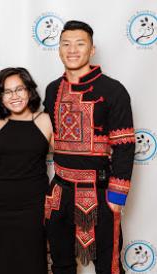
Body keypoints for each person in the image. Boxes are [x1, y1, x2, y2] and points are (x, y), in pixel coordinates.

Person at [44, 20, 135, 274]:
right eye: (66, 44)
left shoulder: (113, 90)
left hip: (99, 190)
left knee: (109, 267)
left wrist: (117, 195)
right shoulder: (52, 90)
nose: (72, 49)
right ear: (59, 49)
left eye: (80, 43)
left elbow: (125, 145)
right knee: (60, 264)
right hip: (59, 191)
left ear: (92, 49)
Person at [0, 67, 53, 274]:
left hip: (34, 205)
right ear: (0, 96)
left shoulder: (44, 120)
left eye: (19, 89)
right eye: (7, 91)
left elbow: (69, 156)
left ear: (29, 90)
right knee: (1, 262)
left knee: (32, 261)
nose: (14, 96)